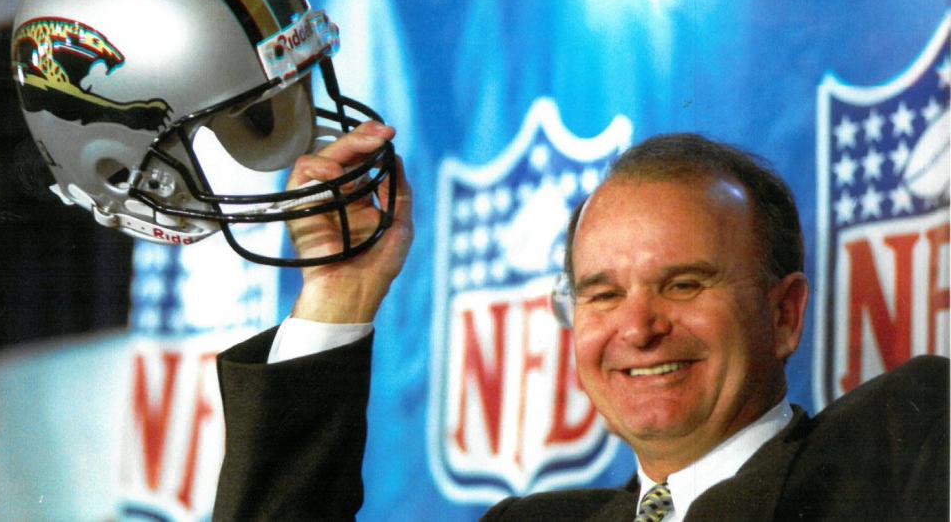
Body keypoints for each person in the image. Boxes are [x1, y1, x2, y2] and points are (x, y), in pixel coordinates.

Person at [212, 132, 948, 520]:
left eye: (683, 284)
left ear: (784, 315)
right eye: (600, 294)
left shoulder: (896, 451)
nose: (637, 326)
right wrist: (340, 294)